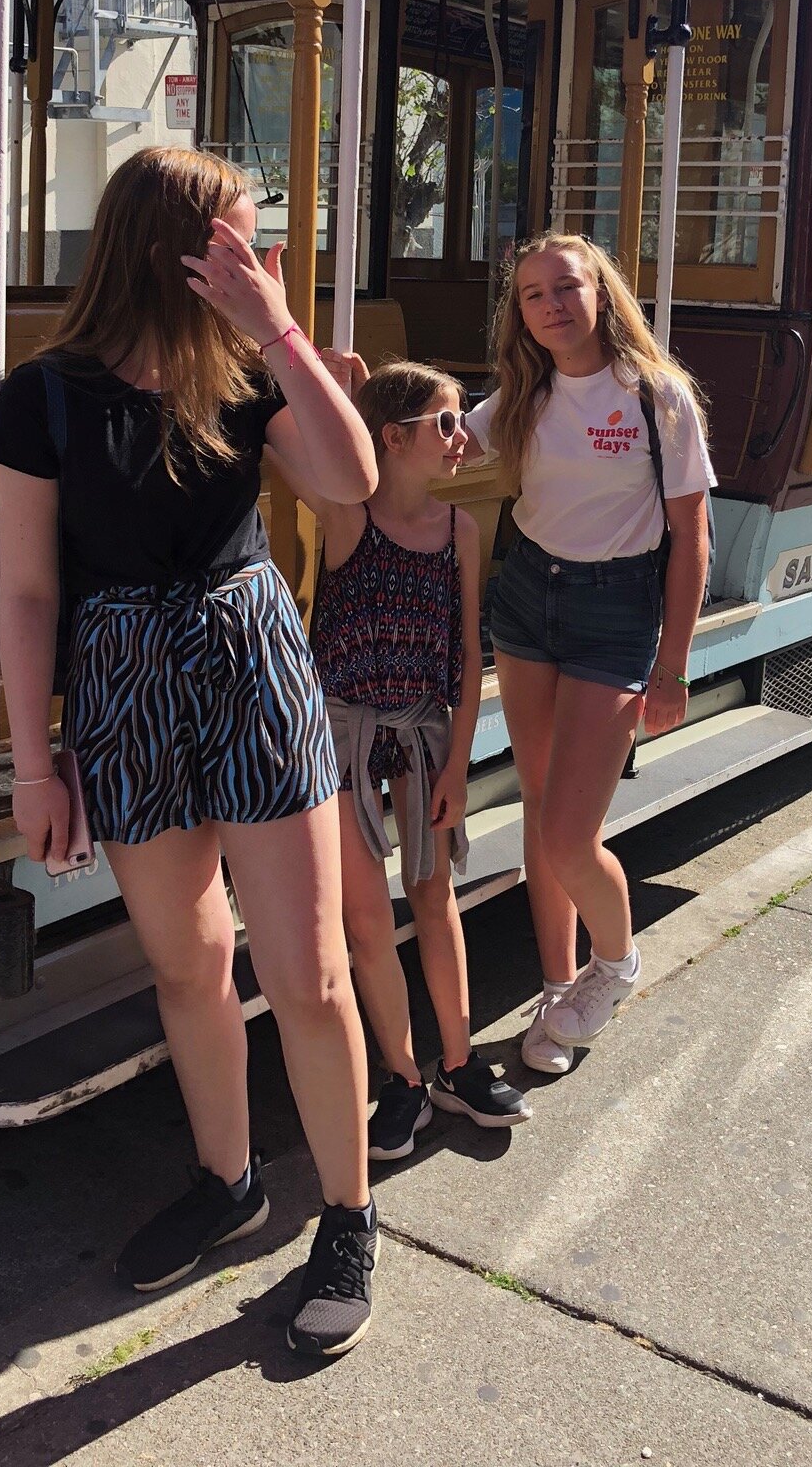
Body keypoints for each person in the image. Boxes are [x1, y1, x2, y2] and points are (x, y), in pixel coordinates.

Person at [0, 146, 381, 1361]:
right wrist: (37, 764)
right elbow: (29, 593)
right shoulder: (42, 394)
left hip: (252, 663)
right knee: (188, 961)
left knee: (307, 973)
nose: (256, 257)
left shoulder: (247, 368)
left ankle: (351, 1218)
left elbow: (353, 482)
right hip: (122, 682)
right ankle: (229, 1180)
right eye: (240, 238)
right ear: (173, 244)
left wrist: (283, 337)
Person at [462, 231, 713, 1074]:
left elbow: (692, 540)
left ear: (602, 293)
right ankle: (558, 984)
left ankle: (617, 964)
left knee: (573, 833)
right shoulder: (517, 400)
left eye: (566, 288)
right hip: (529, 602)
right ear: (520, 314)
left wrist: (673, 665)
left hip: (616, 612)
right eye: (533, 295)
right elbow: (437, 460)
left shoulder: (657, 396)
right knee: (540, 811)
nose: (552, 306)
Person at [301, 360, 531, 1159]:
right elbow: (297, 447)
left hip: (425, 735)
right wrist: (333, 395)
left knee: (435, 900)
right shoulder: (346, 518)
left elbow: (467, 656)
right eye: (444, 422)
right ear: (392, 440)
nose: (462, 435)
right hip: (346, 742)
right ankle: (402, 1078)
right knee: (368, 920)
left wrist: (458, 768)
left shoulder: (460, 531)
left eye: (461, 418)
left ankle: (458, 1063)